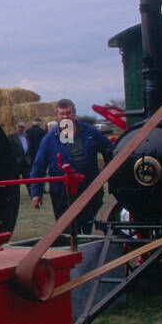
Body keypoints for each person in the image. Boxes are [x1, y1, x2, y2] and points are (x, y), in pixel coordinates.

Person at [29, 99, 114, 235]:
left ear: (74, 113)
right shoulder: (50, 139)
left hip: (89, 188)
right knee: (67, 230)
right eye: (62, 114)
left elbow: (109, 149)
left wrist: (110, 172)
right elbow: (38, 166)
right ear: (57, 116)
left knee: (92, 227)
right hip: (63, 192)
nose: (65, 117)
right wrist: (36, 193)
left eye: (68, 113)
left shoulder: (89, 132)